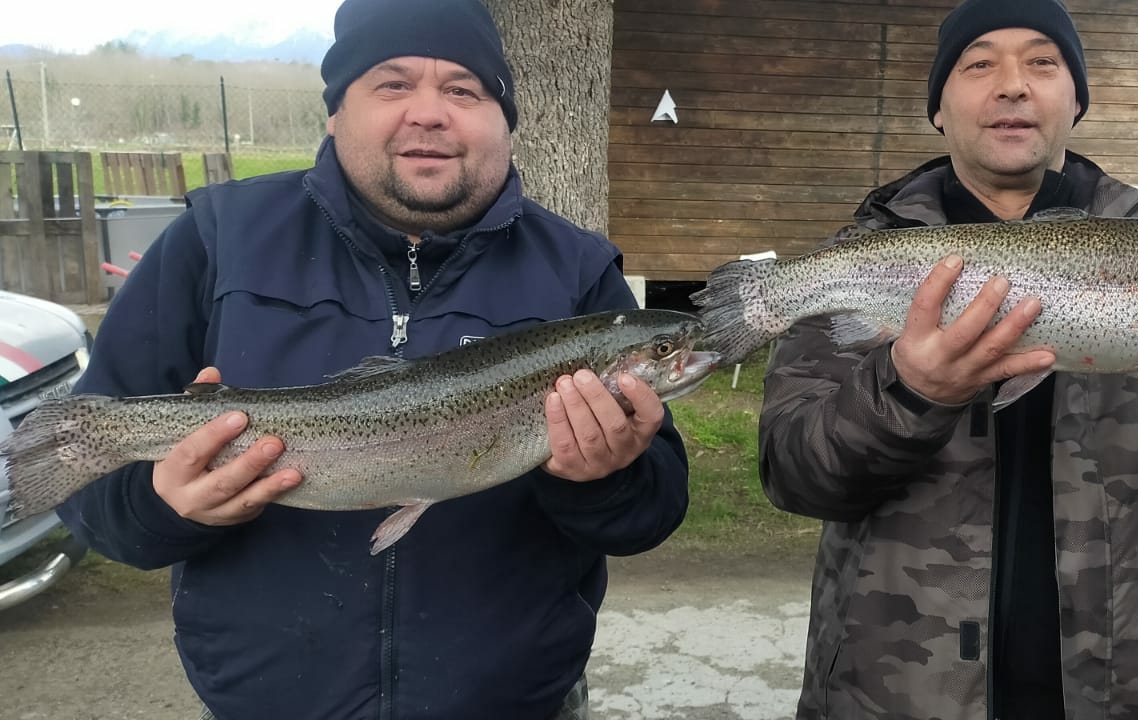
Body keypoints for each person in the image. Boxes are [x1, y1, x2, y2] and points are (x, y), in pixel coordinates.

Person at [56, 0, 690, 718]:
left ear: (504, 119)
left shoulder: (581, 273)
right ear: (335, 113)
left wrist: (603, 480)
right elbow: (89, 498)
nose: (429, 112)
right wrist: (168, 506)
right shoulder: (213, 242)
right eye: (391, 84)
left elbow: (654, 514)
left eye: (463, 89)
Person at [756, 0, 1138, 718]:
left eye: (1043, 63)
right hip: (898, 689)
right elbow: (794, 478)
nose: (1013, 84)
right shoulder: (860, 262)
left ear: (1076, 99)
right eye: (979, 63)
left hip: (1137, 689)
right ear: (938, 109)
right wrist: (911, 392)